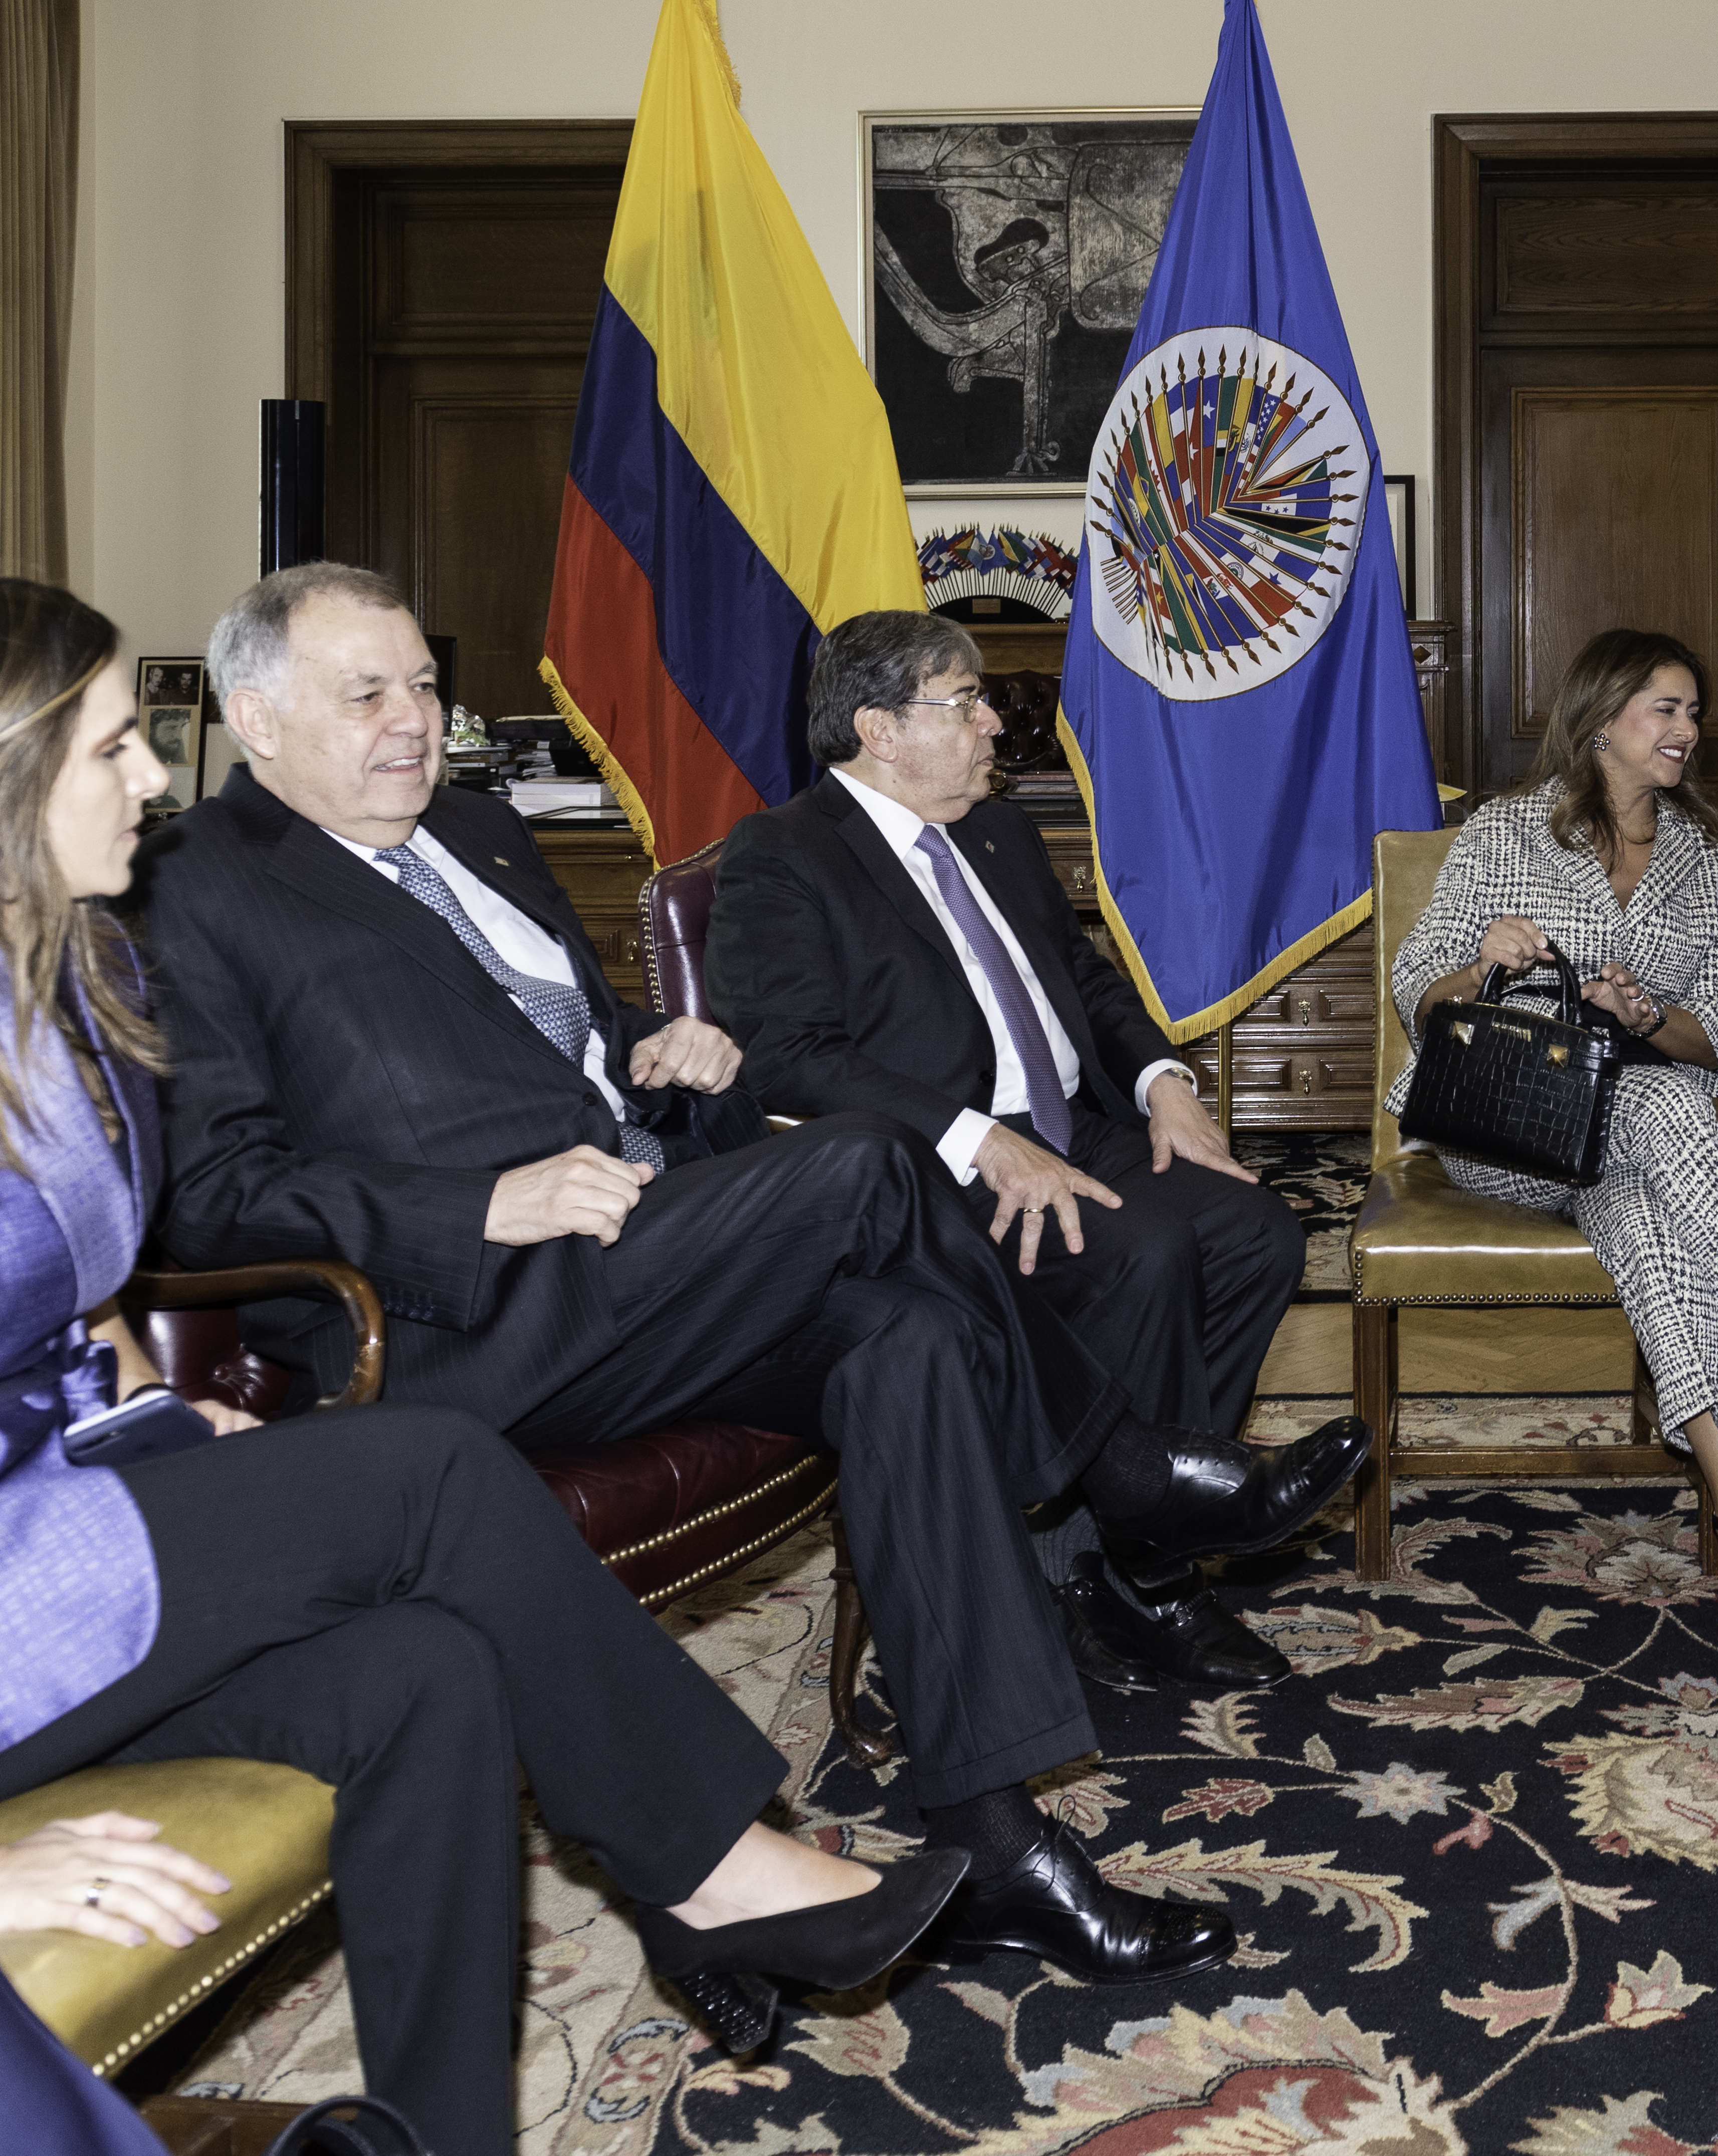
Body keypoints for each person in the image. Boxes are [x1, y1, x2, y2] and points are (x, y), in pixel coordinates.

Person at [126, 565, 1360, 1992]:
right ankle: (1126, 1465)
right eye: (368, 695)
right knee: (863, 1162)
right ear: (255, 718)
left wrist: (666, 1052)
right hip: (469, 1317)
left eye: (425, 686)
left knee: (905, 1340)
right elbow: (208, 1199)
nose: (415, 723)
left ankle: (995, 1831)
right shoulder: (195, 887)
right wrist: (480, 1206)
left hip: (645, 1249)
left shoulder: (476, 830)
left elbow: (566, 1046)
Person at [0, 576, 964, 2150]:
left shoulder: (64, 988)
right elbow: (223, 1199)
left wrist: (171, 1419)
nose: (157, 777)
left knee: (431, 1675)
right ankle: (714, 1868)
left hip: (89, 1488)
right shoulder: (195, 904)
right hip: (24, 1586)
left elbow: (79, 1298)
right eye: (116, 745)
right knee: (434, 1470)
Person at [704, 610, 1356, 1698]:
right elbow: (787, 1059)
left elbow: (1086, 984)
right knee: (1145, 1251)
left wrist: (1165, 1087)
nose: (994, 726)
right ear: (878, 728)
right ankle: (1125, 1581)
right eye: (962, 702)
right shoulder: (783, 857)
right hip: (930, 1169)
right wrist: (979, 1139)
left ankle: (1132, 1554)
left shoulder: (998, 836)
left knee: (1253, 1230)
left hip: (1069, 1124)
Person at [1389, 629, 1718, 1666]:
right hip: (1508, 1129)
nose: (1686, 731)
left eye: (1691, 713)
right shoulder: (1503, 832)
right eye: (1662, 709)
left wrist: (1639, 1014)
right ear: (1599, 723)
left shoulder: (1713, 861)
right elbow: (1416, 989)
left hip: (1631, 1142)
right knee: (1665, 1120)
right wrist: (1478, 958)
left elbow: (1712, 1033)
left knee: (1650, 1210)